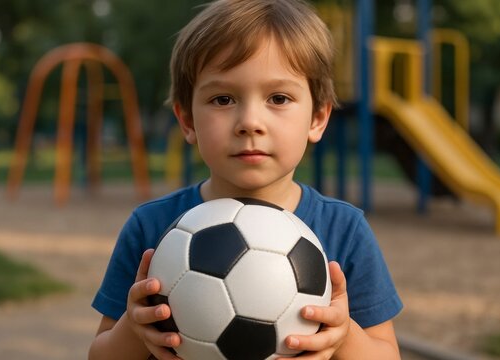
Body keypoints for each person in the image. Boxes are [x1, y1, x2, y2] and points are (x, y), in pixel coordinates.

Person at [89, 0, 403, 359]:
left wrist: (344, 335)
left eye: (278, 98)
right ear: (188, 120)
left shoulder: (345, 230)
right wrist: (134, 328)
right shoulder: (150, 228)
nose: (250, 122)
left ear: (317, 118)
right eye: (223, 99)